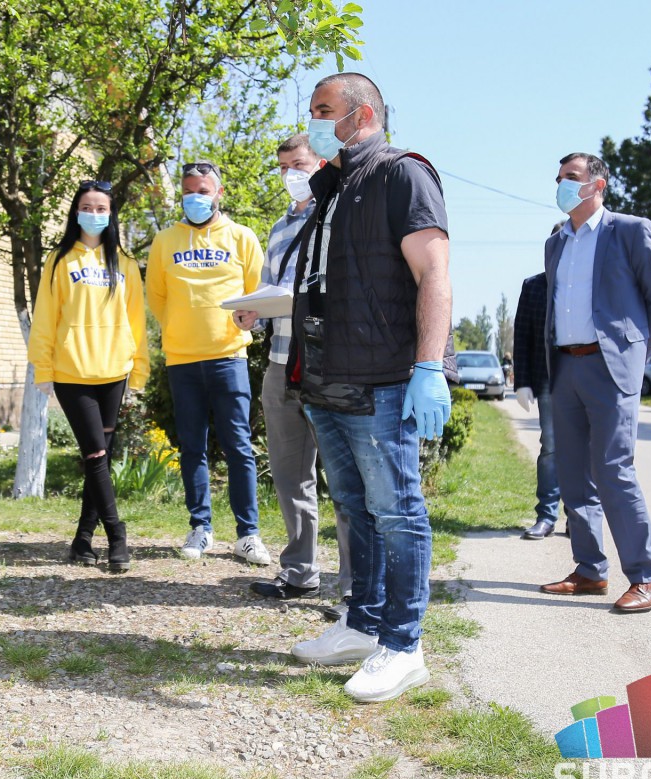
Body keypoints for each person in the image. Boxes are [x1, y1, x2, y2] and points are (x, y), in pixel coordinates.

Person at [284, 73, 452, 703]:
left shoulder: (401, 174)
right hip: (327, 374)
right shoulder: (333, 186)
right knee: (355, 508)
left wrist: (429, 367)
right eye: (312, 111)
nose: (314, 122)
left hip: (382, 378)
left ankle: (404, 646)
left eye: (324, 110)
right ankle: (363, 624)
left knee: (397, 511)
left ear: (363, 115)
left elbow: (434, 274)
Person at [539, 152, 651, 613]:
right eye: (559, 178)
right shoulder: (556, 242)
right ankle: (589, 569)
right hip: (566, 367)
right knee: (573, 475)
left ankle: (648, 576)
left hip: (610, 367)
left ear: (598, 185)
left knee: (613, 470)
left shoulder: (631, 231)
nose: (561, 185)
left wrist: (635, 354)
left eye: (571, 177)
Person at [232, 134, 353, 613]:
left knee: (343, 479)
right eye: (283, 167)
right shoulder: (280, 227)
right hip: (281, 363)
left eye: (298, 164)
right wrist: (252, 315)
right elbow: (269, 288)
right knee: (289, 476)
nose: (290, 175)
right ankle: (301, 573)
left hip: (328, 365)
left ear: (320, 163)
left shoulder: (339, 215)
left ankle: (354, 586)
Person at [146, 160, 268, 565]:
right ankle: (200, 528)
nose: (195, 198)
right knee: (192, 448)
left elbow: (256, 295)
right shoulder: (164, 240)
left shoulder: (242, 237)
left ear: (219, 193)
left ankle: (248, 534)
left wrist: (232, 326)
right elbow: (156, 297)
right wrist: (181, 328)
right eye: (188, 191)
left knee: (239, 447)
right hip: (182, 360)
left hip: (229, 357)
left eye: (203, 191)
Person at [27, 179, 149, 572]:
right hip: (72, 372)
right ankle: (117, 535)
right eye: (87, 207)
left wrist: (139, 370)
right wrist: (43, 367)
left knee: (100, 460)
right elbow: (45, 316)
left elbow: (137, 322)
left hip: (115, 371)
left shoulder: (125, 263)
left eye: (101, 208)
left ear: (111, 215)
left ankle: (82, 539)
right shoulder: (59, 260)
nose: (94, 214)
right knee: (96, 455)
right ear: (75, 212)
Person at [513, 271, 562, 540]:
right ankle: (546, 516)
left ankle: (580, 518)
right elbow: (522, 335)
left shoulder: (588, 280)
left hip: (585, 377)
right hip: (546, 378)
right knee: (551, 447)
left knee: (584, 450)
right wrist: (522, 382)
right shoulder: (533, 286)